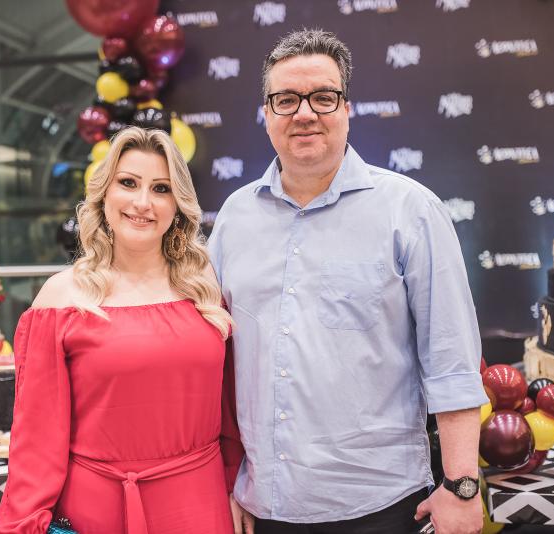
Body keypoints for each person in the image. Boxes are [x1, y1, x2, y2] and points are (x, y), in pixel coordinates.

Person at [208, 30, 488, 534]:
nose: (304, 113)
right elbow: (215, 361)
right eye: (286, 99)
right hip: (264, 506)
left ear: (347, 109)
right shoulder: (233, 218)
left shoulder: (411, 210)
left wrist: (462, 485)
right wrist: (230, 479)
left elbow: (452, 361)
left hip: (380, 507)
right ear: (267, 113)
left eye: (323, 97)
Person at [0, 127, 244, 534]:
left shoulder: (206, 290)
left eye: (160, 188)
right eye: (128, 183)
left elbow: (231, 413)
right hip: (97, 511)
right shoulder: (61, 297)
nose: (142, 202)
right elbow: (36, 441)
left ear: (177, 205)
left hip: (201, 504)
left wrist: (237, 488)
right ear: (104, 194)